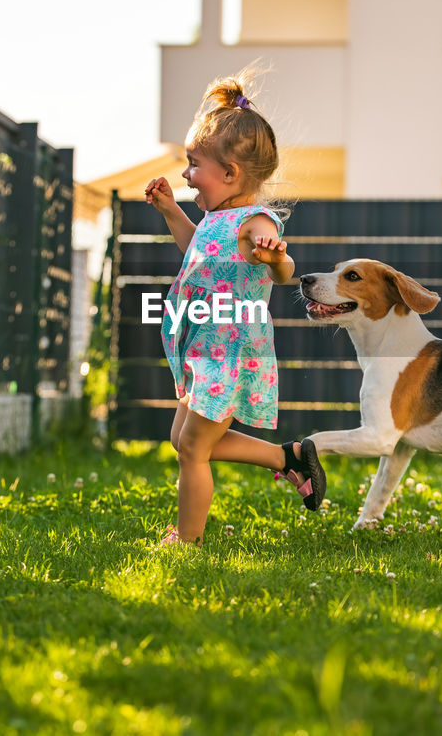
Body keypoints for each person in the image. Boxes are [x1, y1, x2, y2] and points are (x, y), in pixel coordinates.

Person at [145, 70, 326, 545]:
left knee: (192, 447)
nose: (186, 174)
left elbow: (283, 270)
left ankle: (188, 540)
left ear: (229, 174)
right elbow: (196, 253)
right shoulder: (214, 219)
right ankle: (288, 458)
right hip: (205, 345)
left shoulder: (253, 221)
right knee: (183, 440)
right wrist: (170, 212)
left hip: (229, 349)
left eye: (193, 164)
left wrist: (275, 254)